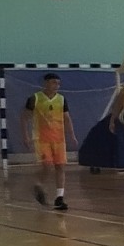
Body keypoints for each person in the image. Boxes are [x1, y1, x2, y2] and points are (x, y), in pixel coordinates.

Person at [24, 73, 77, 211]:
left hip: (59, 139)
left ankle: (59, 198)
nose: (56, 86)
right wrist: (25, 136)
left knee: (60, 167)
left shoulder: (61, 99)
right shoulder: (35, 98)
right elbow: (24, 118)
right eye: (54, 82)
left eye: (58, 83)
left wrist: (72, 134)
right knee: (47, 165)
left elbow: (67, 118)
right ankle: (38, 184)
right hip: (42, 139)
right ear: (46, 83)